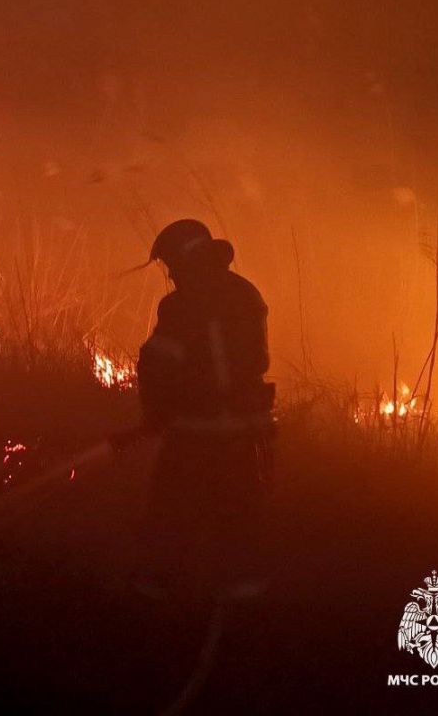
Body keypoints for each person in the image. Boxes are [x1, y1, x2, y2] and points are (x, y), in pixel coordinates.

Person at [133, 219, 275, 604]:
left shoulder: (182, 303)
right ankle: (244, 591)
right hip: (247, 427)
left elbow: (157, 363)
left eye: (169, 264)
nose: (171, 274)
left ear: (181, 258)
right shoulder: (246, 292)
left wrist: (155, 412)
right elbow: (253, 360)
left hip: (197, 427)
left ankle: (160, 588)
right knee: (240, 508)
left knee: (171, 507)